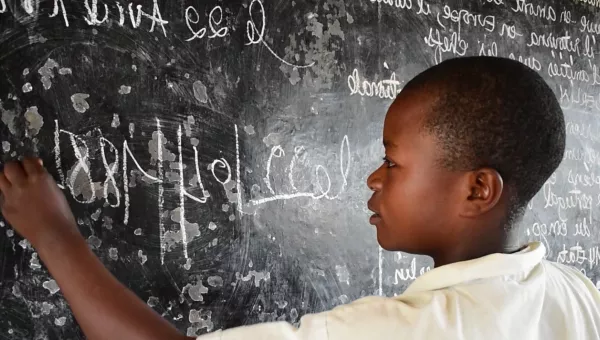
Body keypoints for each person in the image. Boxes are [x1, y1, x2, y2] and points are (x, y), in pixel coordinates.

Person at [2, 56, 599, 340]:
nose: (373, 179)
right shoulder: (579, 295)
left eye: (392, 163)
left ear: (477, 188)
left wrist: (54, 236)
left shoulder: (422, 330)